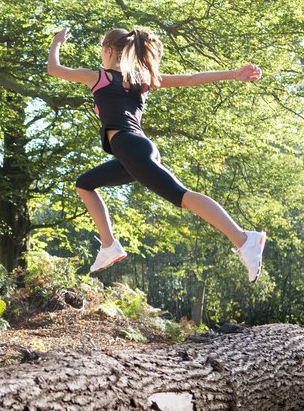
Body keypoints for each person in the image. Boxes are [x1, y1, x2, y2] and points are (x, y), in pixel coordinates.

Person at [47, 27, 265, 281]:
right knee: (85, 184)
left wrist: (56, 43)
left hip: (130, 149)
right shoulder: (142, 79)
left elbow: (54, 69)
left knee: (182, 196)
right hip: (136, 150)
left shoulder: (99, 77)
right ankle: (108, 246)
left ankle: (243, 238)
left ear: (108, 50)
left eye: (101, 51)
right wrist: (232, 74)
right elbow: (190, 79)